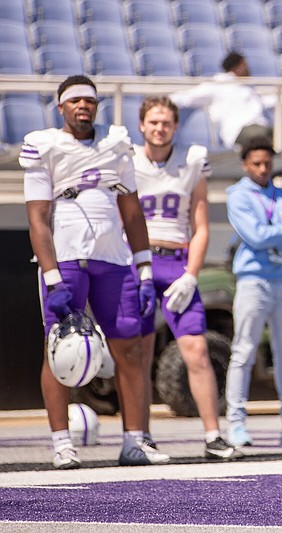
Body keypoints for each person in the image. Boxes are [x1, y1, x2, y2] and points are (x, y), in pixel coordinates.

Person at [22, 75, 169, 468]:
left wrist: (143, 267)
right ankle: (61, 442)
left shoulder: (116, 145)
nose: (83, 107)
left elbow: (132, 211)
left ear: (97, 106)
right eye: (75, 101)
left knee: (131, 347)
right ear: (61, 107)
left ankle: (134, 440)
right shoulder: (45, 146)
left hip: (113, 257)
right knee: (59, 349)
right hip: (67, 255)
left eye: (89, 101)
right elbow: (37, 218)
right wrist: (52, 277)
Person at [132, 96, 242, 460]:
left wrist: (191, 275)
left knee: (196, 349)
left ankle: (213, 435)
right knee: (140, 351)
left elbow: (200, 228)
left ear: (175, 126)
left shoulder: (192, 160)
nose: (160, 128)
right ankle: (141, 436)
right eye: (153, 122)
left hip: (178, 261)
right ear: (142, 126)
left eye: (166, 122)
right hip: (139, 261)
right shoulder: (127, 162)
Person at [224, 137, 282, 447]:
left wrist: (274, 235)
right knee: (244, 351)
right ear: (245, 165)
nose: (263, 169)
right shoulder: (238, 195)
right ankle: (235, 423)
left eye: (267, 163)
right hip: (253, 281)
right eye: (256, 163)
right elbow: (254, 235)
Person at [170, 52, 282, 151]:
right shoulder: (218, 84)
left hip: (263, 129)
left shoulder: (248, 87)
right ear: (238, 65)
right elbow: (187, 98)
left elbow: (269, 101)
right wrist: (162, 102)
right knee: (263, 136)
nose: (247, 68)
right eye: (244, 64)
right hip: (240, 132)